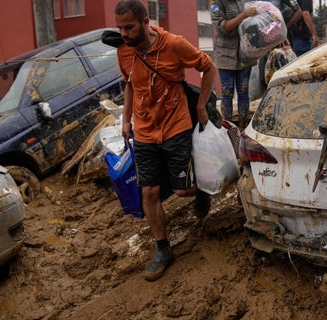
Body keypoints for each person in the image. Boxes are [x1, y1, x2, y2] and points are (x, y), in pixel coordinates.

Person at [114, 0, 217, 282]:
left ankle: (202, 192)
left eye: (129, 27)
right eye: (120, 28)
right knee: (149, 192)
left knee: (182, 191)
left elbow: (208, 67)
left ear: (145, 22)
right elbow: (130, 86)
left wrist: (201, 106)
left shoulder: (174, 45)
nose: (123, 34)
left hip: (176, 127)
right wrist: (126, 121)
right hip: (145, 132)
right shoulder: (124, 52)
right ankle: (162, 249)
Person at [210, 0, 259, 127]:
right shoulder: (217, 4)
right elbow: (222, 28)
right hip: (225, 55)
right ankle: (228, 127)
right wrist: (243, 15)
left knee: (243, 91)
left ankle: (243, 126)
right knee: (227, 92)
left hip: (244, 53)